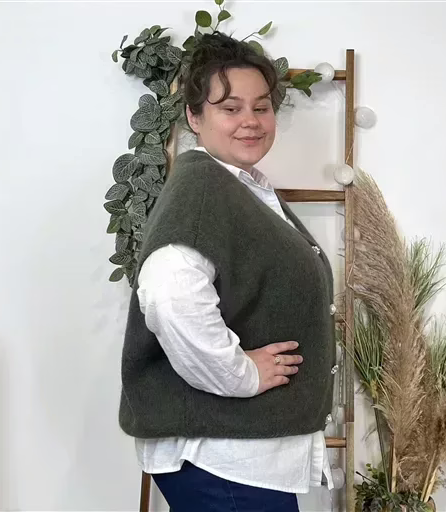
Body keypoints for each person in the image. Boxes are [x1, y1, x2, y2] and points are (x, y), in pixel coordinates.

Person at [119, 32, 337, 512]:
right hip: (224, 458)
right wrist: (241, 375)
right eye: (230, 108)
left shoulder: (236, 187)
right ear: (194, 117)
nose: (251, 121)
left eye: (261, 107)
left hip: (239, 453)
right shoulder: (202, 192)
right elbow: (168, 293)